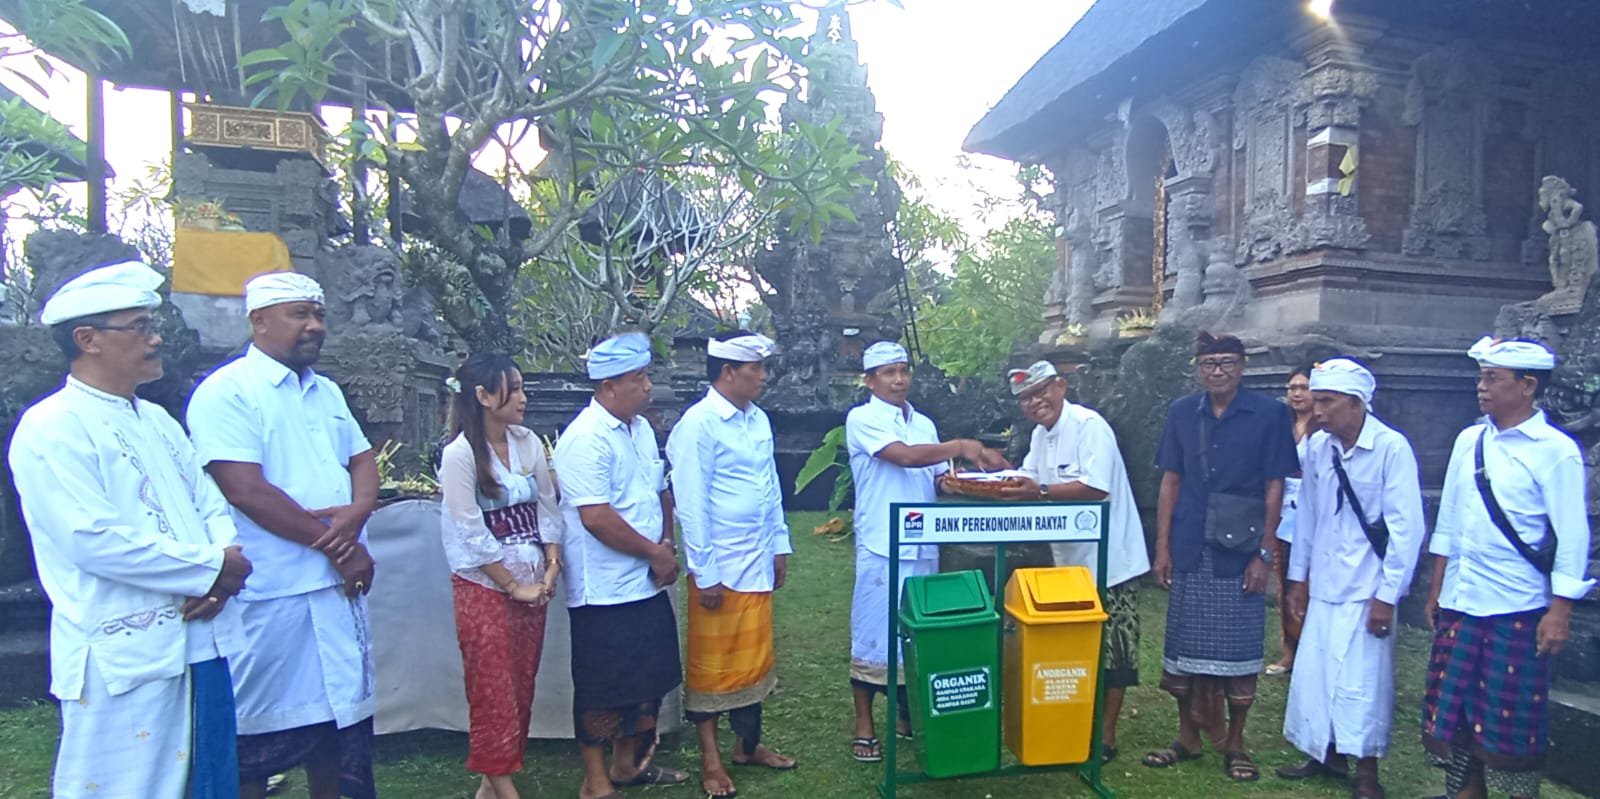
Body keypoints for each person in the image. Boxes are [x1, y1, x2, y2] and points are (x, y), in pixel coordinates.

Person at [9, 261, 252, 799]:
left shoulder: (159, 420)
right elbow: (91, 538)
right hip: (124, 647)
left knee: (207, 781)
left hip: (200, 635)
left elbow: (209, 503)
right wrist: (212, 569)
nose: (155, 337)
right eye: (140, 326)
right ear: (87, 339)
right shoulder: (52, 426)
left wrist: (219, 566)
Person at [187, 272, 380, 799]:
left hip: (335, 594)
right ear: (259, 321)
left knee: (339, 734)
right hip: (269, 593)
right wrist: (339, 546)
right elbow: (245, 489)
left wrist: (358, 512)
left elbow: (362, 460)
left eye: (318, 314)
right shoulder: (225, 392)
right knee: (254, 742)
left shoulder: (328, 391)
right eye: (300, 314)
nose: (314, 325)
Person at [1421, 337, 1594, 799]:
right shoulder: (1469, 440)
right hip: (1463, 597)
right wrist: (1437, 586)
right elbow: (1450, 520)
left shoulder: (1555, 450)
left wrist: (1560, 610)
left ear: (1528, 386)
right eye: (1482, 377)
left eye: (1493, 378)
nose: (1482, 387)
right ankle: (1466, 792)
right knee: (1456, 709)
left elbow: (1573, 537)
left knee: (1509, 716)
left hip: (1517, 603)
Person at [1143, 331, 1299, 782]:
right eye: (1209, 363)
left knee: (1239, 652)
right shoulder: (1182, 413)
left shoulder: (1269, 415)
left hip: (1242, 547)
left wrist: (1264, 553)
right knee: (1184, 651)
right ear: (1198, 368)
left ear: (1242, 366)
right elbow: (1171, 480)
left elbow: (1276, 485)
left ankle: (1236, 742)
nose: (1217, 371)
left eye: (1227, 363)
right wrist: (1163, 547)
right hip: (1191, 542)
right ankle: (1187, 737)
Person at [844, 340, 1009, 763]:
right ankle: (865, 725)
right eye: (888, 373)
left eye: (903, 371)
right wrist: (958, 447)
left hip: (924, 540)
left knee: (917, 631)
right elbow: (902, 457)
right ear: (870, 380)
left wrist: (970, 478)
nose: (899, 380)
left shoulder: (923, 423)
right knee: (873, 632)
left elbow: (935, 476)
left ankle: (907, 715)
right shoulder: (861, 419)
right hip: (883, 542)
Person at [1277, 359, 1426, 799]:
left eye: (1326, 401)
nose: (1316, 409)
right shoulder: (1318, 447)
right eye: (1315, 399)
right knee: (1318, 670)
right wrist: (1298, 579)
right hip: (1324, 579)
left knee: (1363, 681)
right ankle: (1323, 753)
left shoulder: (1391, 448)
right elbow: (1308, 516)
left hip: (1368, 586)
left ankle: (1366, 771)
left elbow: (1407, 529)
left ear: (1356, 403)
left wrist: (1388, 595)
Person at [553, 331, 689, 799]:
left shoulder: (640, 429)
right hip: (604, 588)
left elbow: (658, 489)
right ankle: (595, 782)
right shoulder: (584, 439)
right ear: (609, 386)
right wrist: (654, 553)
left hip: (645, 580)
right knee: (601, 687)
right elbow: (596, 518)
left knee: (646, 677)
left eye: (647, 376)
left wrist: (666, 541)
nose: (648, 386)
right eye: (639, 378)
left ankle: (627, 765)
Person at [997, 360, 1150, 765]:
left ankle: (1105, 736)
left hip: (1110, 559)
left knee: (1115, 649)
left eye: (1041, 391)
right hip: (1067, 564)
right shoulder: (1039, 434)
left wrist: (1038, 489)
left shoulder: (1089, 425)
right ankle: (1074, 722)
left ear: (1061, 386)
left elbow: (1094, 486)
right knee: (1074, 646)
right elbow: (1026, 477)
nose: (1035, 402)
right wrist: (997, 478)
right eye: (1026, 398)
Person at [666, 331, 798, 799]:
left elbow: (770, 486)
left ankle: (748, 745)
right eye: (754, 369)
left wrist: (779, 544)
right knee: (713, 666)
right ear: (728, 373)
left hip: (758, 557)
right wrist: (706, 571)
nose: (762, 376)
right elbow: (691, 504)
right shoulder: (698, 424)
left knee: (754, 661)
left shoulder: (757, 420)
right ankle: (711, 760)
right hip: (721, 565)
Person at [438, 353, 564, 799]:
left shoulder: (528, 442)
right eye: (515, 388)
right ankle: (505, 788)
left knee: (520, 682)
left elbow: (548, 506)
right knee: (491, 687)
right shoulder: (459, 456)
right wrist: (512, 585)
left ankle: (490, 786)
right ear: (484, 396)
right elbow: (469, 530)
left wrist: (549, 566)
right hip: (484, 586)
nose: (524, 398)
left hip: (532, 579)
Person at [1268, 363, 1318, 677]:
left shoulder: (1324, 428)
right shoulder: (1281, 425)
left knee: (1309, 582)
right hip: (1283, 513)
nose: (1297, 394)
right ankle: (1290, 650)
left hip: (1313, 513)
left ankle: (1312, 649)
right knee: (1284, 580)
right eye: (1292, 388)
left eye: (1303, 387)